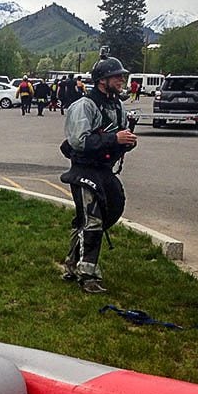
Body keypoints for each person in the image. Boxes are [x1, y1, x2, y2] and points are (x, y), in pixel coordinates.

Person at [60, 56, 138, 293]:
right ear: (103, 80)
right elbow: (79, 141)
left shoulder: (117, 106)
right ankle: (88, 275)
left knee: (108, 213)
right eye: (117, 76)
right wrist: (113, 138)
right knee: (92, 221)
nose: (122, 79)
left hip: (104, 171)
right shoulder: (85, 105)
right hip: (84, 170)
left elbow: (117, 135)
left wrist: (126, 142)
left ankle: (72, 263)